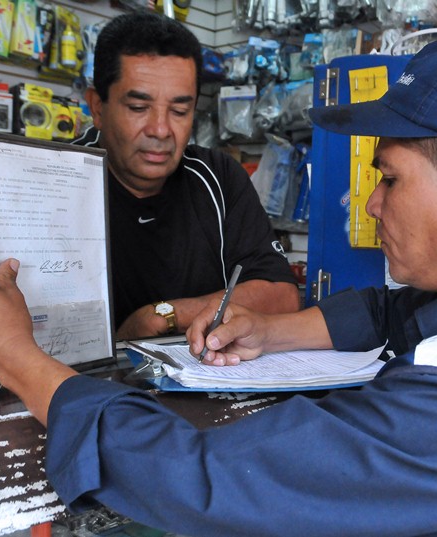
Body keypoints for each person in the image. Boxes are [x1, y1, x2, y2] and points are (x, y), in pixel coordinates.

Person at [0, 37, 437, 536]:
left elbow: (203, 478)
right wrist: (271, 330)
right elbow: (395, 314)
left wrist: (16, 356)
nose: (371, 203)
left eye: (389, 178)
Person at [72, 11, 299, 339]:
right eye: (138, 108)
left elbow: (282, 295)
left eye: (179, 111)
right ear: (97, 107)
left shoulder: (218, 177)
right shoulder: (52, 181)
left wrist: (162, 315)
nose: (161, 130)